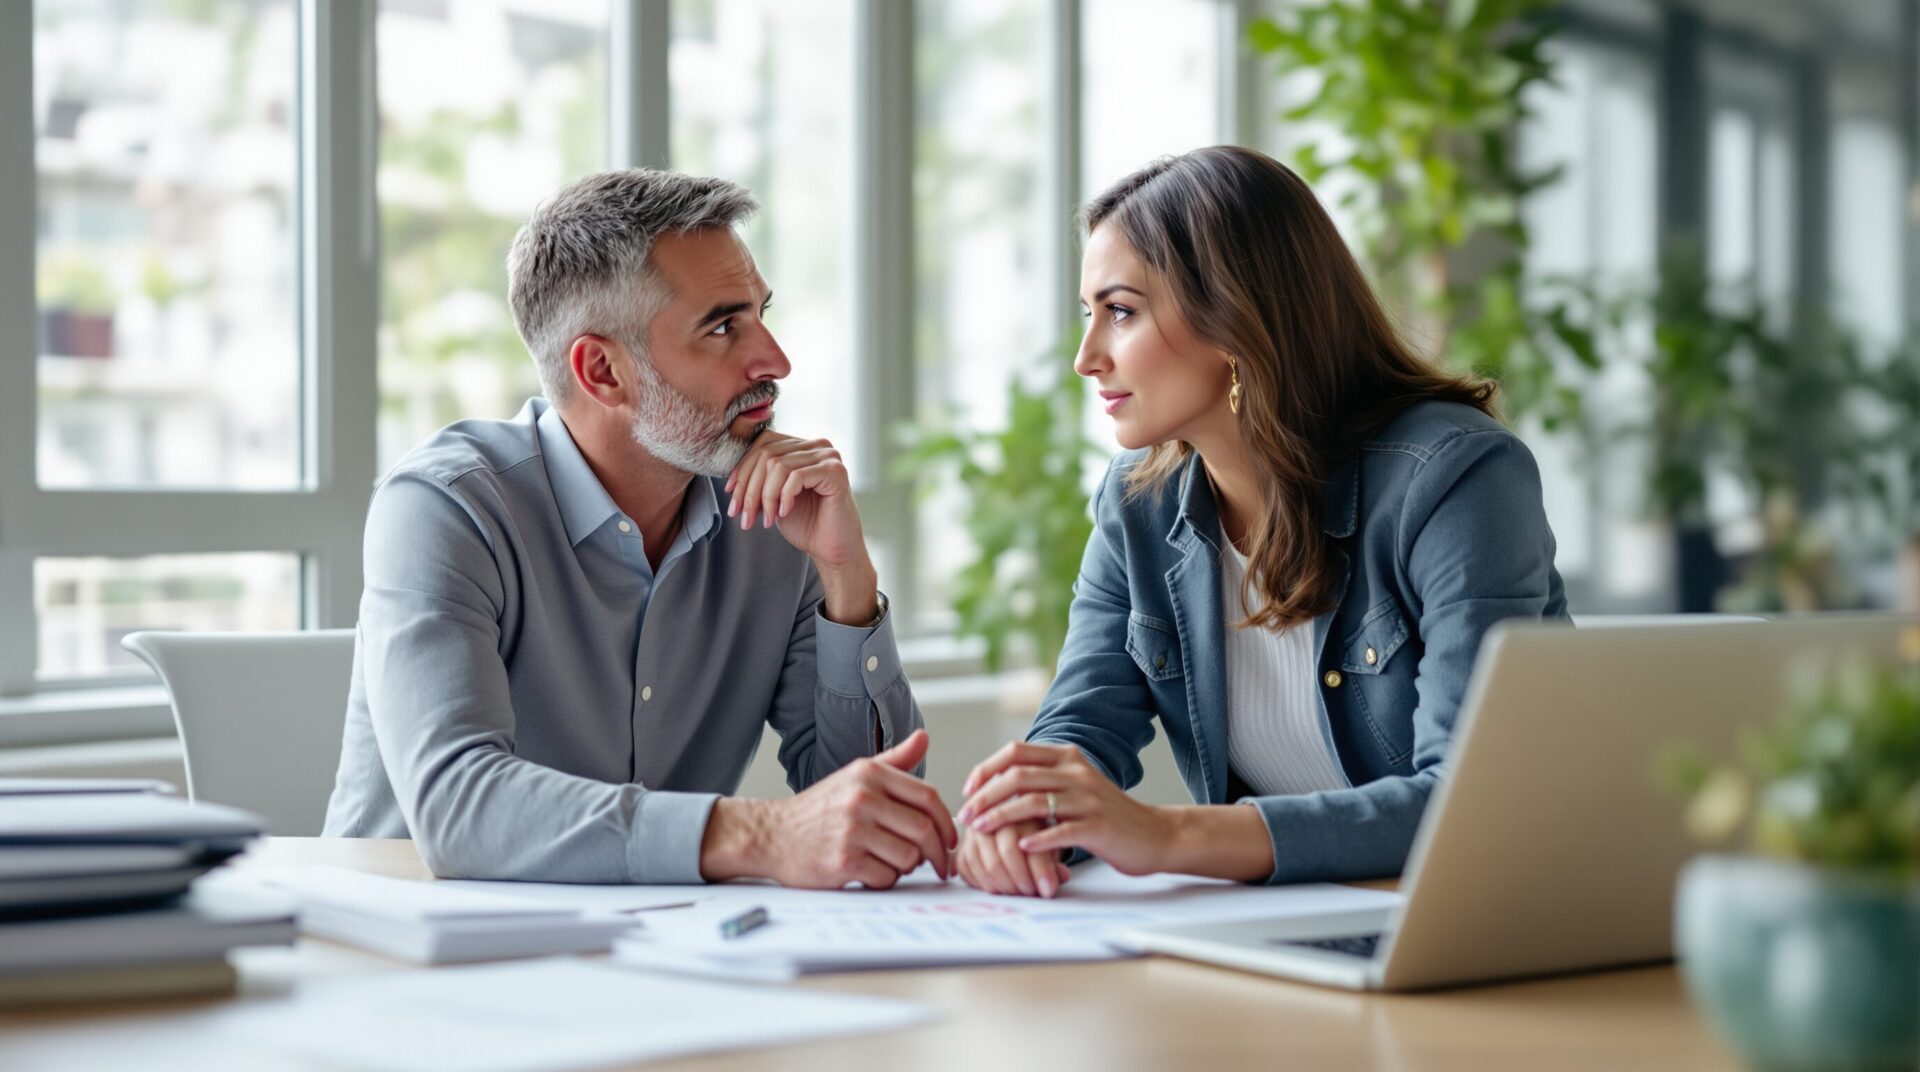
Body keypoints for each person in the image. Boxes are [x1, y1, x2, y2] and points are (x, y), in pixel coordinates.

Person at [953, 146, 1567, 897]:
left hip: (1472, 924)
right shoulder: (1136, 503)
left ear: (1234, 318)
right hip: (1284, 932)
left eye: (1120, 312)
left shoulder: (1455, 477)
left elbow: (1468, 797)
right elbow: (1082, 727)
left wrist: (1167, 833)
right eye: (1090, 315)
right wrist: (1026, 815)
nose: (1086, 357)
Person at [324, 169, 957, 888]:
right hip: (413, 964)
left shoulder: (771, 513)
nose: (776, 361)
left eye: (760, 314)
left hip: (657, 957)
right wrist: (760, 833)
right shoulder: (445, 507)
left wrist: (847, 580)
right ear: (602, 371)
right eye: (723, 327)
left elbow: (873, 808)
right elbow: (459, 808)